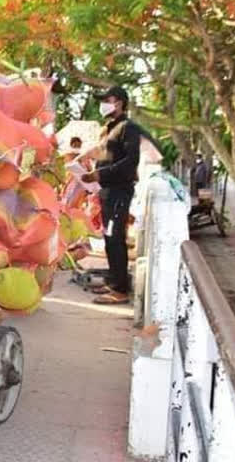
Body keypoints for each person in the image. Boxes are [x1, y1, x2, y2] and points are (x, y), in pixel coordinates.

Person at [81, 86, 141, 305]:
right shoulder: (110, 128)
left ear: (120, 103)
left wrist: (100, 173)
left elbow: (129, 162)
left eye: (108, 100)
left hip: (119, 192)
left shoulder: (129, 128)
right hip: (106, 191)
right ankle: (114, 281)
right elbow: (106, 153)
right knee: (109, 238)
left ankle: (120, 290)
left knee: (116, 239)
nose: (103, 104)